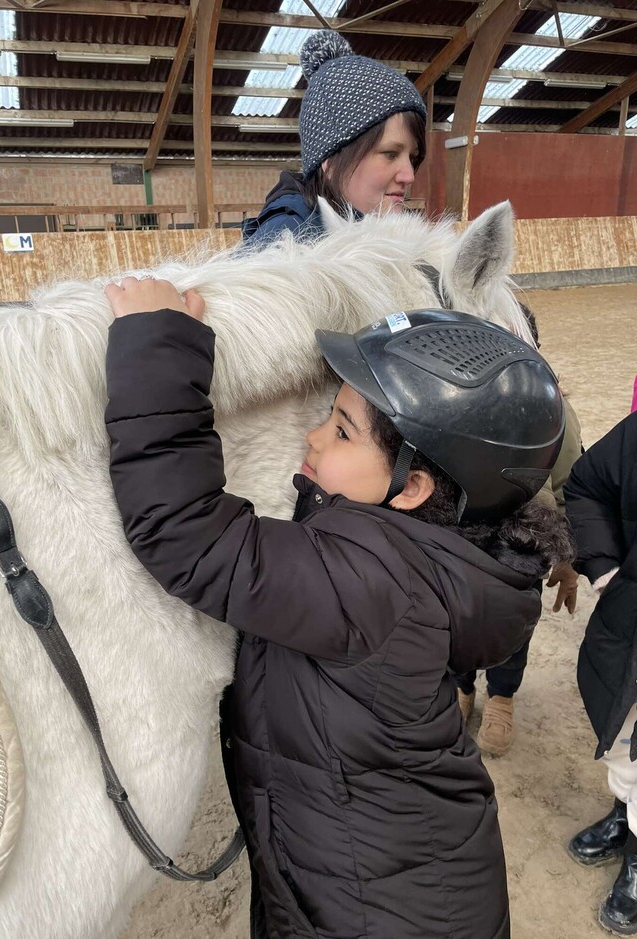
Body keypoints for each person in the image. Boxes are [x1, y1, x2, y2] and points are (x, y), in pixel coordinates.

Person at [103, 275, 573, 938]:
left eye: (343, 430)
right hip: (365, 881)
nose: (314, 439)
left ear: (413, 487)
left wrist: (157, 346)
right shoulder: (422, 554)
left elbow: (187, 535)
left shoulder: (379, 585)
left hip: (383, 912)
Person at [453, 300, 583, 756]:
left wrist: (567, 560)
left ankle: (503, 697)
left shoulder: (555, 416)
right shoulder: (450, 403)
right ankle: (463, 687)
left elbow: (569, 487)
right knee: (457, 622)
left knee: (511, 627)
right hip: (458, 546)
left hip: (521, 550)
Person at [242, 30, 427, 247]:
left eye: (412, 158)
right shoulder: (286, 240)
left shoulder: (374, 229)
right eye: (390, 153)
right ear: (330, 161)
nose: (409, 175)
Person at [564, 412, 637, 936]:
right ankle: (626, 810)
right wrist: (607, 571)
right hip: (628, 630)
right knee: (623, 733)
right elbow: (586, 482)